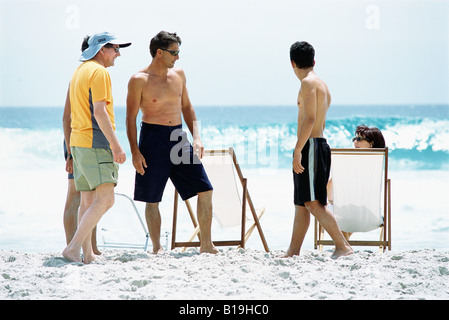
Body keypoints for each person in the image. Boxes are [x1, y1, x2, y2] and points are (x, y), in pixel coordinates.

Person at [126, 31, 217, 254]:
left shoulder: (179, 75)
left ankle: (206, 244)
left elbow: (187, 107)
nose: (177, 57)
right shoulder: (139, 80)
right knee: (152, 198)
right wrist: (135, 152)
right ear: (159, 52)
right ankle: (157, 248)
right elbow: (130, 118)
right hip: (152, 138)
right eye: (174, 53)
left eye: (178, 52)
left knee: (205, 189)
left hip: (178, 137)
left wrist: (196, 137)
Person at [62, 32, 130, 263]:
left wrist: (70, 153)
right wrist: (117, 146)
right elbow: (100, 112)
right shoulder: (99, 72)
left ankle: (88, 254)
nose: (118, 54)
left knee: (88, 201)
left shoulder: (79, 71)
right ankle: (73, 249)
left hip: (78, 143)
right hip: (95, 142)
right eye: (115, 49)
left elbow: (68, 116)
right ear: (102, 49)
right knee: (106, 199)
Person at [284, 41, 353, 259]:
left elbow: (310, 118)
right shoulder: (322, 84)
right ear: (314, 61)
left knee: (314, 203)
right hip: (317, 144)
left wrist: (298, 149)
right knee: (302, 203)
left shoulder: (307, 83)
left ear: (292, 63)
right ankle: (293, 251)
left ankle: (343, 246)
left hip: (311, 145)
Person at [327, 124, 386, 240]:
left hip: (343, 216)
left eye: (359, 139)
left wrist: (330, 201)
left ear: (371, 143)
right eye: (354, 139)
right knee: (350, 208)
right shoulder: (376, 168)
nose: (355, 142)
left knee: (333, 208)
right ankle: (345, 243)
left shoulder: (347, 164)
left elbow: (329, 190)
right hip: (371, 217)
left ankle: (343, 244)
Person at [62, 77, 99, 255]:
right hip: (79, 140)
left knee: (90, 197)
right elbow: (66, 118)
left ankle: (91, 247)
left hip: (86, 140)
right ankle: (72, 245)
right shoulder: (83, 78)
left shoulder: (82, 77)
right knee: (76, 195)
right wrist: (70, 154)